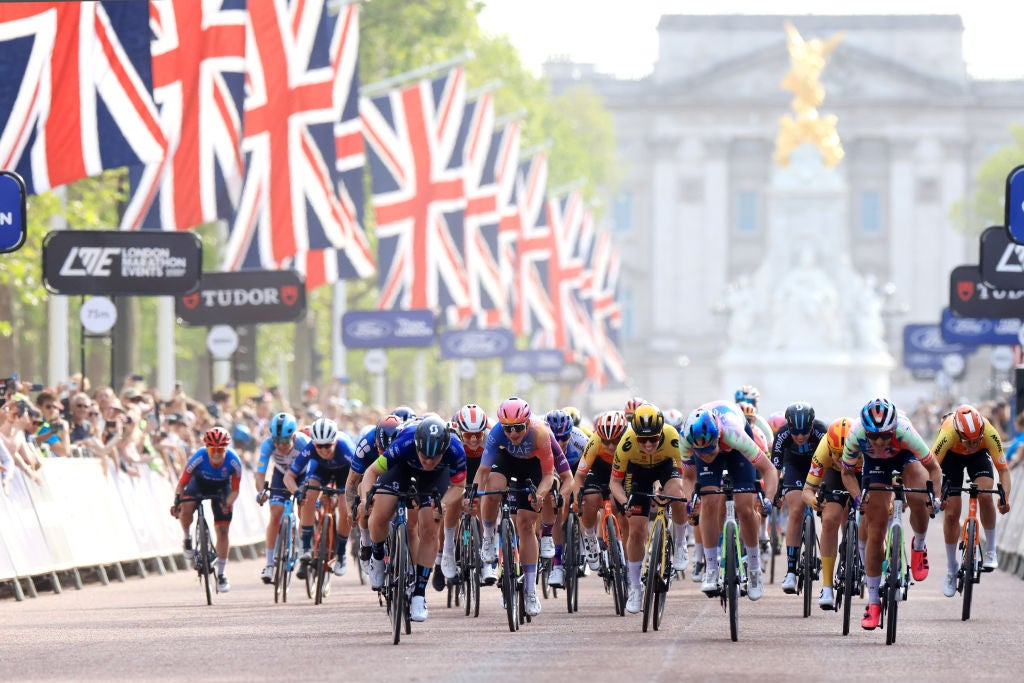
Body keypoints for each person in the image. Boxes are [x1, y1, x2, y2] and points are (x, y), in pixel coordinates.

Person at [840, 398, 941, 630]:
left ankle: (919, 545)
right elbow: (847, 474)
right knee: (875, 530)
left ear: (893, 429)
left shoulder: (905, 431)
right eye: (872, 436)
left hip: (905, 457)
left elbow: (934, 468)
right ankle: (874, 602)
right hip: (875, 466)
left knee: (918, 497)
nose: (877, 441)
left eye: (884, 435)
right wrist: (858, 498)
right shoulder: (856, 434)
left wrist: (934, 498)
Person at [360, 414, 467, 623]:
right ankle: (378, 555)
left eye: (433, 457)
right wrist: (365, 499)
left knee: (430, 527)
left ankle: (419, 594)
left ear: (444, 450)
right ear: (417, 446)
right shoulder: (405, 442)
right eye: (424, 455)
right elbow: (371, 473)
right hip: (402, 468)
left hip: (436, 478)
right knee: (381, 512)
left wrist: (443, 504)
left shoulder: (455, 449)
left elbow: (459, 486)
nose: (427, 461)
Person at [684, 400, 778, 601]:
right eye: (701, 452)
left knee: (744, 506)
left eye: (710, 449)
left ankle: (754, 569)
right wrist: (690, 501)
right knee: (708, 501)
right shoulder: (688, 438)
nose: (707, 455)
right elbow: (688, 478)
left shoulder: (735, 435)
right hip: (709, 438)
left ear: (717, 437)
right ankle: (710, 568)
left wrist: (768, 500)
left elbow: (769, 470)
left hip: (735, 448)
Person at [474, 397, 555, 617]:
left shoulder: (540, 434)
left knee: (526, 525)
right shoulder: (497, 434)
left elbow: (549, 475)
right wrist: (474, 492)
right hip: (506, 461)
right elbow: (482, 471)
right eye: (508, 428)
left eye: (518, 428)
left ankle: (530, 590)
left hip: (532, 467)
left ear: (528, 423)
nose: (513, 434)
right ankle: (489, 537)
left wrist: (539, 494)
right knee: (492, 487)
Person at [608, 404, 689, 614]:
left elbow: (687, 475)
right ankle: (635, 587)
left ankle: (680, 543)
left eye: (653, 438)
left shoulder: (672, 437)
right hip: (637, 473)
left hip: (666, 467)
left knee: (679, 496)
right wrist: (625, 502)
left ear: (661, 431)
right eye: (642, 439)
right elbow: (614, 484)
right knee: (635, 532)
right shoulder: (626, 443)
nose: (649, 444)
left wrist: (688, 494)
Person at [932, 404, 1013, 597]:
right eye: (968, 441)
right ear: (958, 433)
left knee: (986, 495)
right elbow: (931, 468)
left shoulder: (989, 433)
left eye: (977, 439)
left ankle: (991, 550)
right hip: (951, 457)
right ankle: (951, 569)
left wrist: (1004, 497)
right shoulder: (947, 433)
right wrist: (936, 497)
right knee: (952, 512)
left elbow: (1003, 470)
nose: (973, 444)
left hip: (978, 458)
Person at [170, 427, 242, 593]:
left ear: (226, 448)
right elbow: (181, 484)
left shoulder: (234, 461)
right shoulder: (198, 457)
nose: (216, 453)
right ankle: (187, 537)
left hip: (222, 488)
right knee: (186, 507)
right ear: (207, 448)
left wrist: (227, 503)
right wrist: (177, 502)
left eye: (220, 449)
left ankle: (222, 574)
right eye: (212, 449)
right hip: (199, 484)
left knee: (223, 529)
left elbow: (235, 490)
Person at [801, 417, 861, 609]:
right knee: (829, 519)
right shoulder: (823, 450)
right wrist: (815, 502)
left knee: (872, 513)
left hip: (861, 472)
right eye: (836, 454)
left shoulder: (866, 446)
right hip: (834, 475)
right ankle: (827, 586)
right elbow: (807, 491)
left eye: (846, 454)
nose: (841, 459)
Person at [285, 418, 356, 577]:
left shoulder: (346, 448)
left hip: (346, 472)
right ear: (314, 443)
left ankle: (341, 553)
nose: (324, 450)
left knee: (345, 510)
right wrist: (297, 492)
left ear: (335, 441)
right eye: (319, 446)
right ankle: (305, 547)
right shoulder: (310, 448)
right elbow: (288, 477)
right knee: (308, 497)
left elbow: (361, 475)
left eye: (327, 446)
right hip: (320, 470)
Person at [773, 402, 828, 593]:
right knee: (796, 510)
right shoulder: (781, 435)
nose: (800, 436)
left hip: (818, 466)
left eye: (805, 432)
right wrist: (776, 491)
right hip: (794, 468)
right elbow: (775, 469)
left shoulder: (822, 432)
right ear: (789, 428)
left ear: (812, 426)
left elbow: (831, 463)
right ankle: (790, 571)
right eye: (795, 432)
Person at [253, 413, 311, 583]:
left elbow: (313, 470)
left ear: (293, 436)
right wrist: (261, 491)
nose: (280, 445)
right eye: (277, 440)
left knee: (304, 512)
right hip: (281, 474)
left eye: (285, 440)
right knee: (275, 512)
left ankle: (303, 554)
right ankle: (270, 564)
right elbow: (260, 472)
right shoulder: (267, 444)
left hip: (302, 476)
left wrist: (305, 491)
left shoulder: (304, 443)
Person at [346, 413, 405, 578]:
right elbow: (352, 480)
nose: (384, 453)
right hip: (370, 472)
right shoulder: (366, 443)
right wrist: (352, 509)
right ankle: (365, 542)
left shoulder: (405, 440)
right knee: (364, 502)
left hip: (397, 469)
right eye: (381, 450)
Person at [543, 409, 588, 588]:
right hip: (553, 468)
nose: (560, 442)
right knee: (555, 504)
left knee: (580, 499)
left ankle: (583, 548)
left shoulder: (581, 440)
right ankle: (558, 564)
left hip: (577, 468)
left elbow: (591, 468)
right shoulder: (542, 437)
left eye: (564, 437)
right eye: (556, 437)